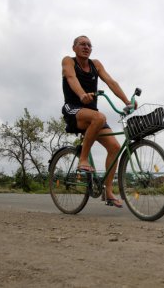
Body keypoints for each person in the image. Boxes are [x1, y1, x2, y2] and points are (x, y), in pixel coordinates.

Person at [61, 35, 132, 208]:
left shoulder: (96, 64)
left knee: (115, 147)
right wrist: (81, 95)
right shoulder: (68, 61)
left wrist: (127, 102)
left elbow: (111, 82)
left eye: (89, 45)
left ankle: (108, 192)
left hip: (92, 115)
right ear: (74, 48)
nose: (86, 47)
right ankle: (83, 159)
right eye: (82, 44)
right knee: (99, 117)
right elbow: (71, 78)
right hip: (73, 109)